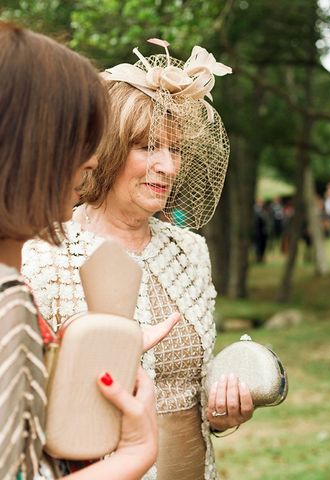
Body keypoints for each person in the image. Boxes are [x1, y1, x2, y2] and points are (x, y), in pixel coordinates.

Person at [22, 40, 254, 480]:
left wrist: (221, 414)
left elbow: (193, 380)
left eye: (176, 150)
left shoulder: (190, 253)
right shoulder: (44, 254)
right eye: (148, 147)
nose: (168, 166)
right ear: (107, 150)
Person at [0, 22, 159, 479]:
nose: (92, 158)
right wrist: (135, 453)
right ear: (31, 148)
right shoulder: (8, 301)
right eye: (79, 135)